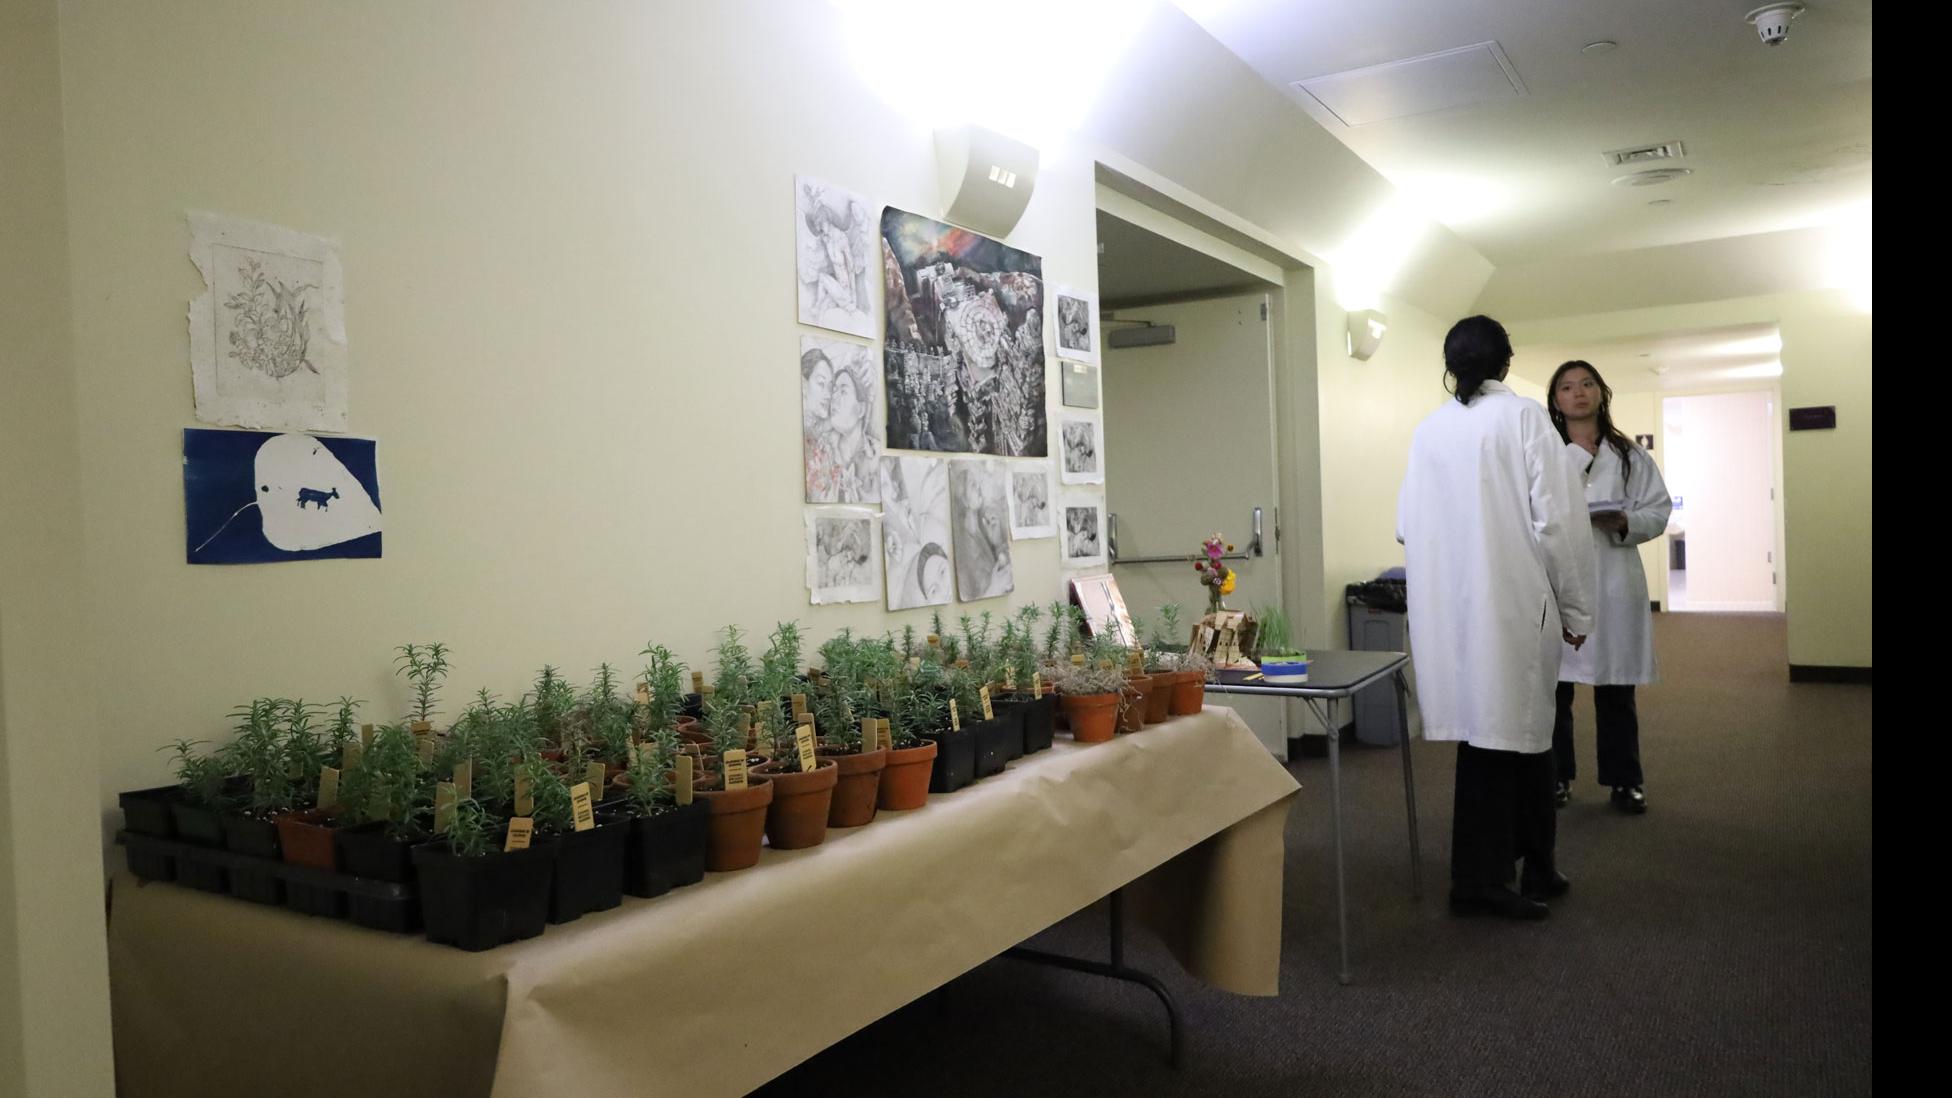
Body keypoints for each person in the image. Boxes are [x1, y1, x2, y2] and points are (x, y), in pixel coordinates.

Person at [1397, 316, 1598, 921]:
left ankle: (1537, 860)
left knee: (1522, 737)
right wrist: (1577, 607)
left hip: (1452, 608)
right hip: (1510, 604)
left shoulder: (1429, 431)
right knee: (1500, 739)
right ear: (1505, 364)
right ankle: (1476, 883)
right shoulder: (1524, 419)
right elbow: (1558, 526)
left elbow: (1407, 526)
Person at [1546, 360, 1673, 815]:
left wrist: (1625, 520)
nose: (1578, 393)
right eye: (1566, 386)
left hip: (1614, 575)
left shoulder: (1630, 455)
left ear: (1602, 392)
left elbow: (1657, 510)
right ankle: (1556, 777)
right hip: (1558, 578)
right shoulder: (1544, 451)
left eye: (1587, 384)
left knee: (1616, 687)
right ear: (1555, 399)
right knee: (1555, 688)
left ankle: (1625, 781)